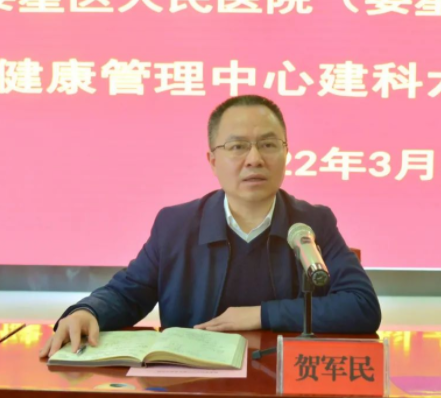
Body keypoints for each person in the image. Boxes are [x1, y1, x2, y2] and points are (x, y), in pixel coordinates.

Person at [39, 94, 381, 358]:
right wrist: (88, 311)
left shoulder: (313, 223)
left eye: (268, 145)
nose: (254, 159)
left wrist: (261, 315)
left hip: (283, 384)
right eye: (237, 147)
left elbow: (362, 306)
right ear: (213, 160)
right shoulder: (175, 225)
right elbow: (128, 293)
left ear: (286, 153)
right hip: (192, 385)